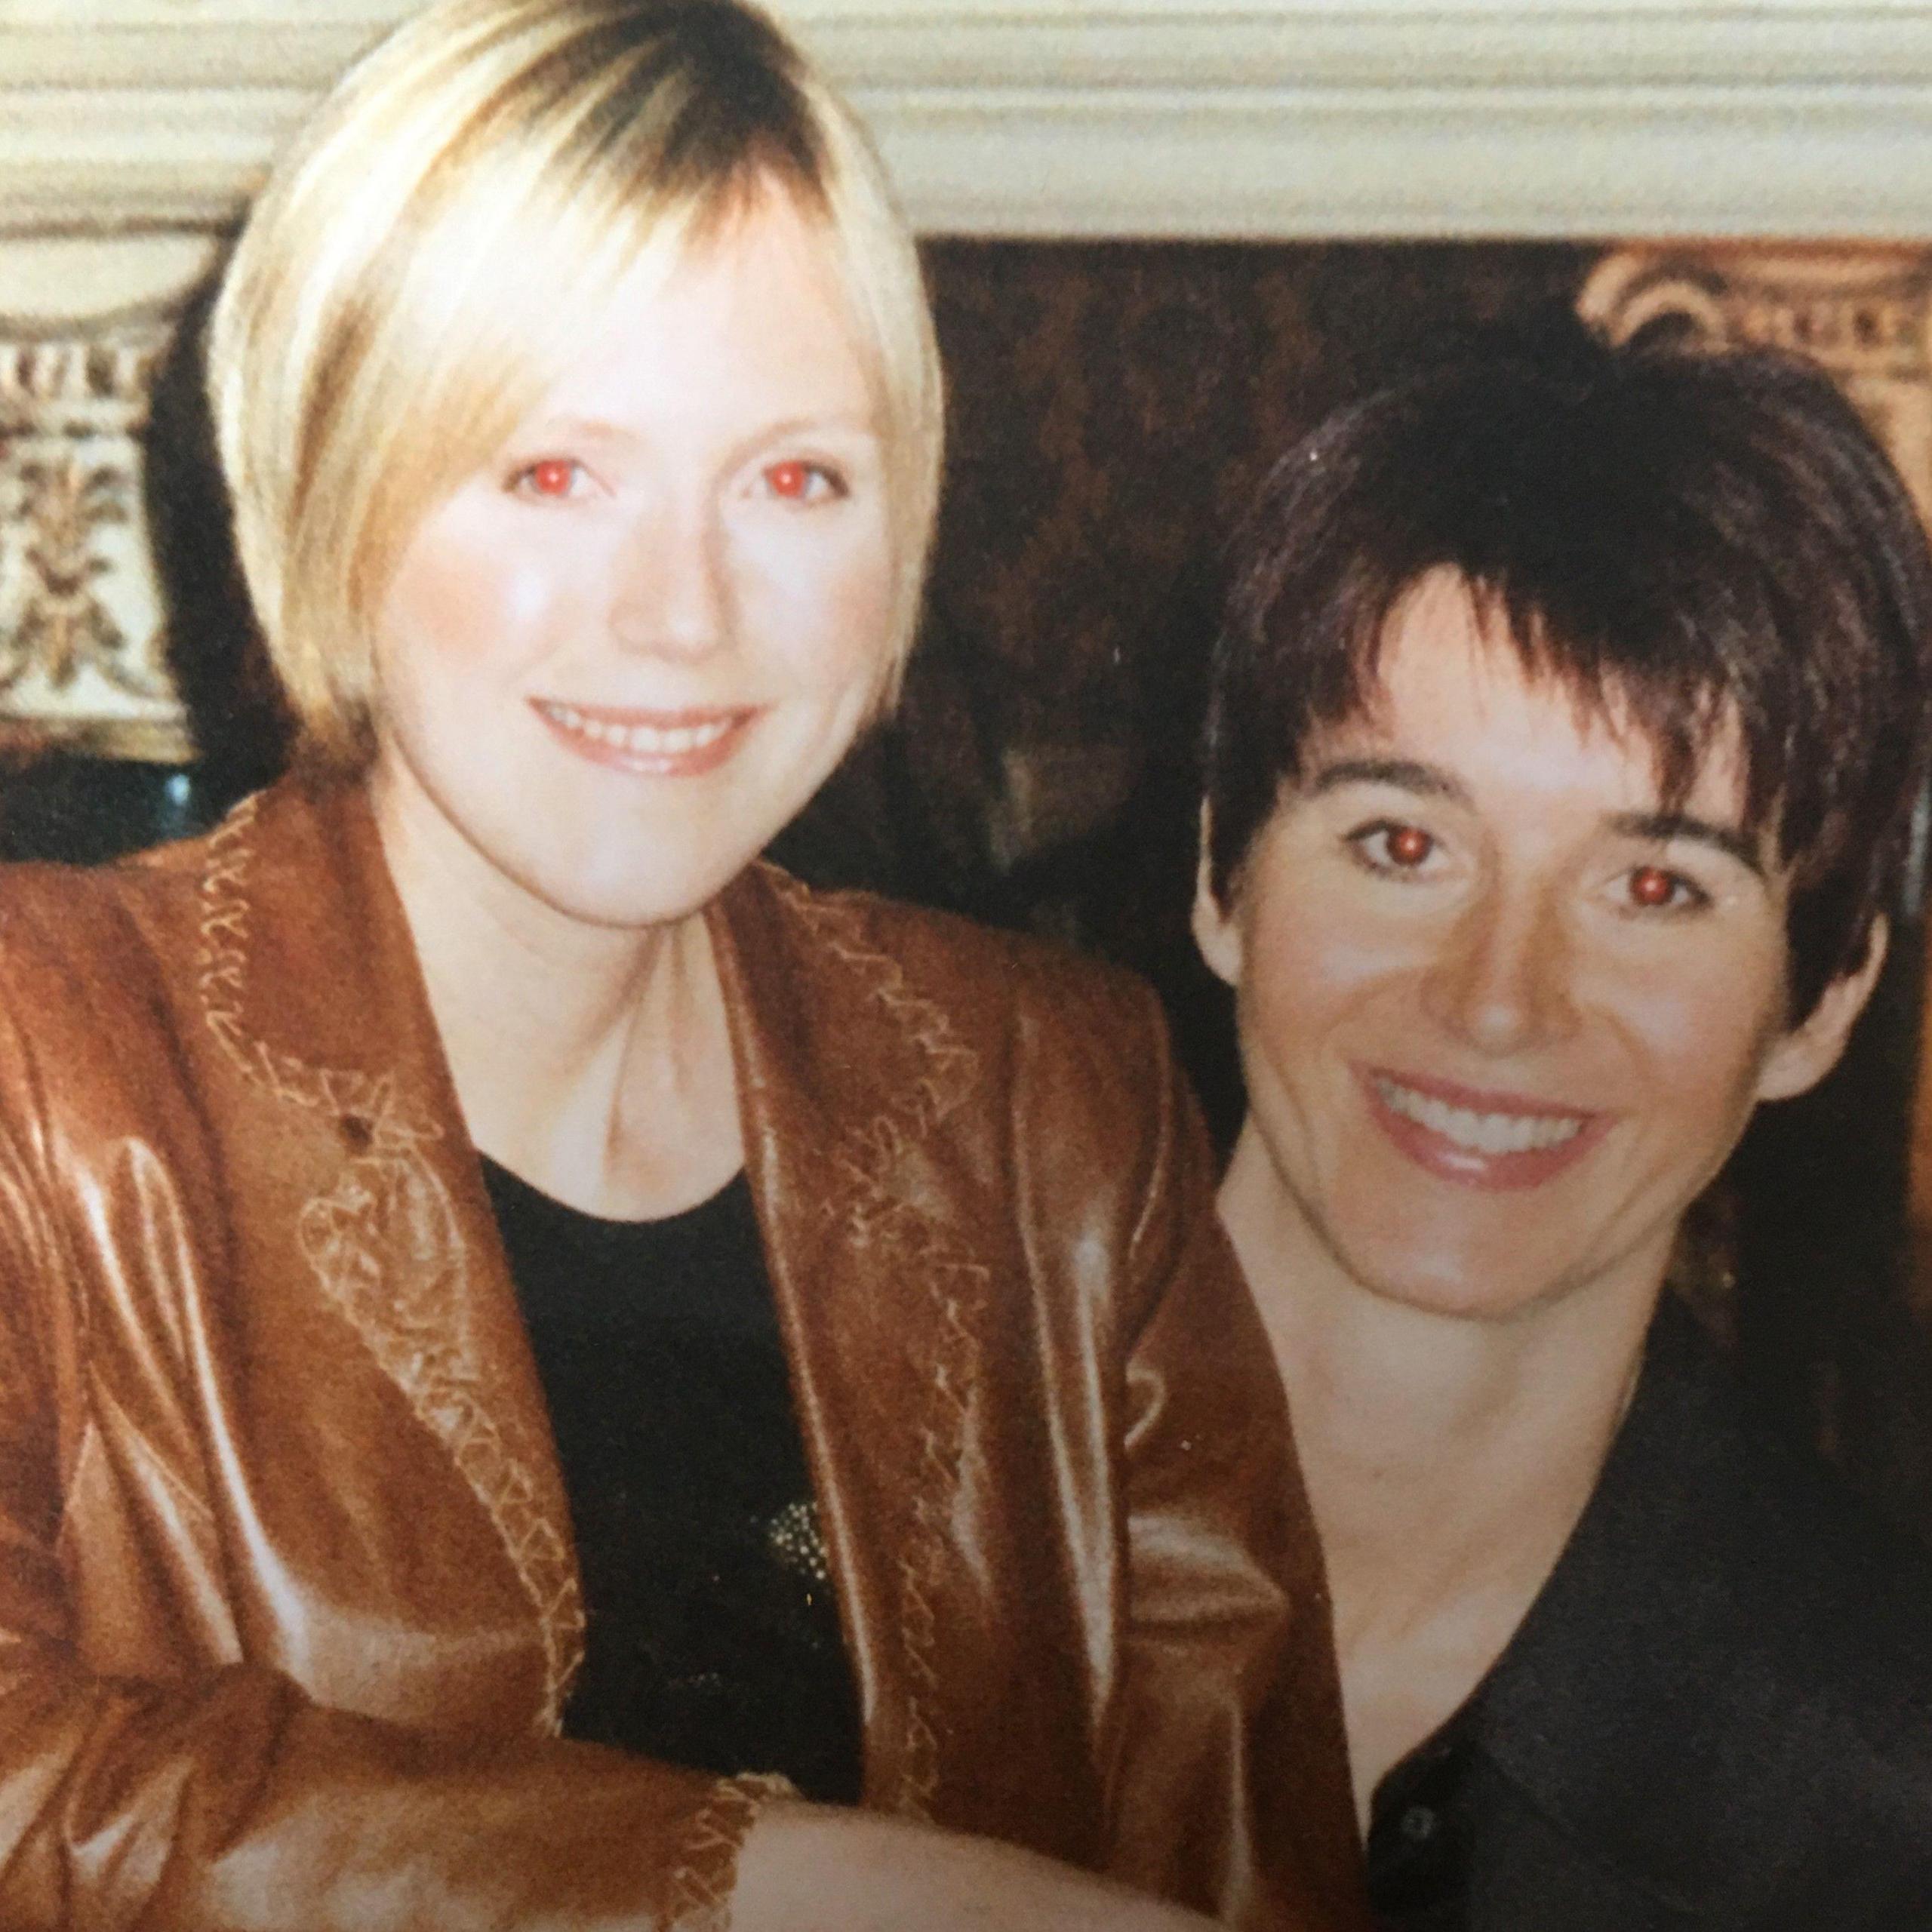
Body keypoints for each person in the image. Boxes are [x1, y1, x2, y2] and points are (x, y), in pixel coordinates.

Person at [0, 4, 1372, 1928]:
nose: (684, 611)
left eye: (794, 478)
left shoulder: (1056, 1105)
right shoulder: (44, 1061)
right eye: (554, 473)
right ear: (332, 488)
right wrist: (751, 1884)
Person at [1192, 334, 1932, 1928]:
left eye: (1653, 885)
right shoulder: (825, 1512)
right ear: (1220, 875)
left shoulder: (1878, 1805)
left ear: (1819, 999)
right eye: (1399, 841)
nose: (1498, 1000)